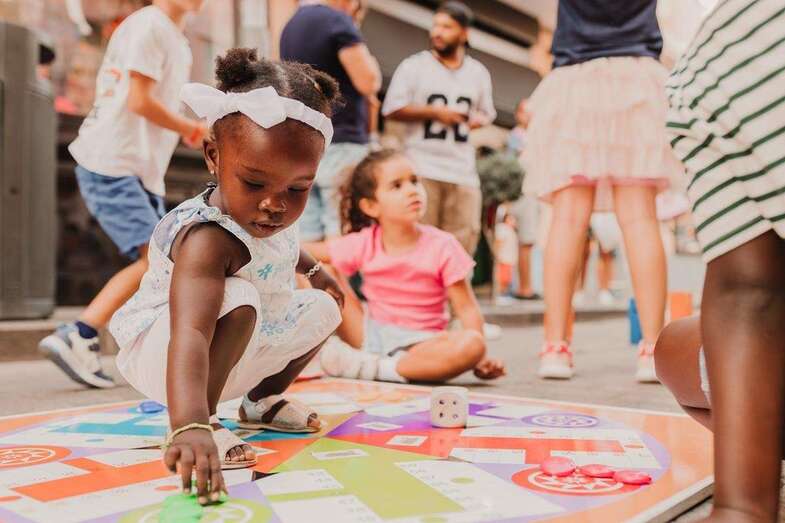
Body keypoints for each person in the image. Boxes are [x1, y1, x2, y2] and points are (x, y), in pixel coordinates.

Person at [108, 49, 345, 503]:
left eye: (298, 188)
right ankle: (208, 419)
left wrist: (316, 270)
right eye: (254, 183)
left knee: (323, 306)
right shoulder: (206, 238)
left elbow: (282, 248)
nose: (274, 205)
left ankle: (260, 402)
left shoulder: (267, 215)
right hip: (170, 355)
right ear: (214, 156)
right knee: (238, 298)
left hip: (238, 342)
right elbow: (192, 332)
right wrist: (189, 423)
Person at [38, 0, 208, 389]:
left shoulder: (175, 39)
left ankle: (141, 349)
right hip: (113, 162)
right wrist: (192, 129)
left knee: (165, 264)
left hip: (140, 169)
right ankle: (80, 333)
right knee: (156, 259)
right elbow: (138, 100)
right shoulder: (149, 26)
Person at [665, 0, 785, 519]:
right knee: (674, 346)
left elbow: (747, 293)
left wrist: (741, 508)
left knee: (677, 346)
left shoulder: (712, 65)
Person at [523, 0, 679, 381]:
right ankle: (652, 349)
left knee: (567, 219)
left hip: (574, 79)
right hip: (636, 75)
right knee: (641, 219)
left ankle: (555, 347)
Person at [304, 150, 506, 383]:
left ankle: (374, 368)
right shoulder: (365, 241)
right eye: (397, 186)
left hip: (423, 343)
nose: (412, 190)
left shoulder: (443, 245)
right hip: (367, 334)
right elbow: (305, 251)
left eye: (414, 181)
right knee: (317, 269)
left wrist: (479, 358)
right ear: (371, 206)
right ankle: (375, 364)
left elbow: (467, 308)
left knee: (473, 344)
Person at [382, 1, 495, 256]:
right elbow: (391, 108)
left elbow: (487, 113)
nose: (437, 32)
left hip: (463, 172)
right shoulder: (414, 66)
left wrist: (477, 120)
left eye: (446, 27)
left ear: (464, 33)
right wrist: (436, 113)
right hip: (422, 168)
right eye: (435, 25)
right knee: (418, 246)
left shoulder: (478, 73)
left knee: (461, 249)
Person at [280, 0, 381, 242]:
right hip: (342, 141)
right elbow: (369, 82)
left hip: (303, 145)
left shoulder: (291, 25)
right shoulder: (338, 21)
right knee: (343, 229)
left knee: (308, 233)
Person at [507, 99, 541, 301]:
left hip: (531, 194)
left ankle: (525, 285)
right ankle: (524, 288)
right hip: (523, 194)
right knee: (525, 241)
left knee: (527, 242)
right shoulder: (518, 137)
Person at [494, 212, 518, 298]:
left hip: (509, 259)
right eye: (510, 219)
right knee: (503, 278)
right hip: (503, 258)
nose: (513, 221)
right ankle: (501, 294)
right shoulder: (503, 229)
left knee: (507, 277)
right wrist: (497, 255)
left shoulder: (512, 231)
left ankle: (503, 293)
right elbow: (498, 242)